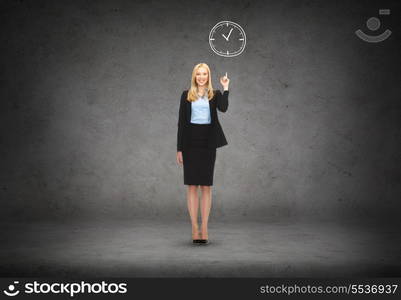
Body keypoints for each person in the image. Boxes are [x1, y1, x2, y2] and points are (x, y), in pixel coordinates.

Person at [176, 62, 230, 245]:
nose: (201, 77)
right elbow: (181, 124)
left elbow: (223, 108)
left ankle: (204, 227)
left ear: (208, 76)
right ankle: (194, 227)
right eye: (198, 74)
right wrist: (179, 149)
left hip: (208, 143)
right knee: (192, 186)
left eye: (204, 74)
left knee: (206, 186)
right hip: (190, 144)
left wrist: (225, 87)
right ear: (194, 76)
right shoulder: (186, 95)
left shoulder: (214, 95)